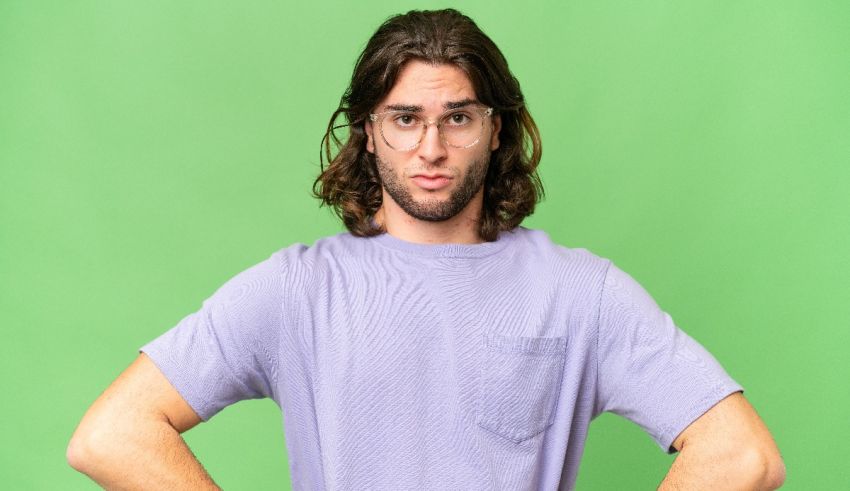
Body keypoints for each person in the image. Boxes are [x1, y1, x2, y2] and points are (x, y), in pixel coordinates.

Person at [67, 9, 785, 490]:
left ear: (497, 128)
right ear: (368, 130)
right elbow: (112, 432)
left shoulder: (580, 292)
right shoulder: (296, 290)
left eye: (459, 118)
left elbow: (743, 454)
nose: (431, 148)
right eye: (405, 118)